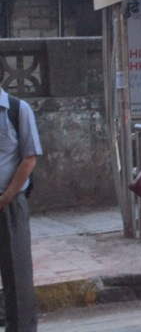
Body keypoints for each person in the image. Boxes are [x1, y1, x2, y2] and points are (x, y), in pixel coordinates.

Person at [0, 86, 42, 332]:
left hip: (10, 203)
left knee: (17, 276)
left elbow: (30, 157)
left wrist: (6, 197)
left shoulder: (17, 110)